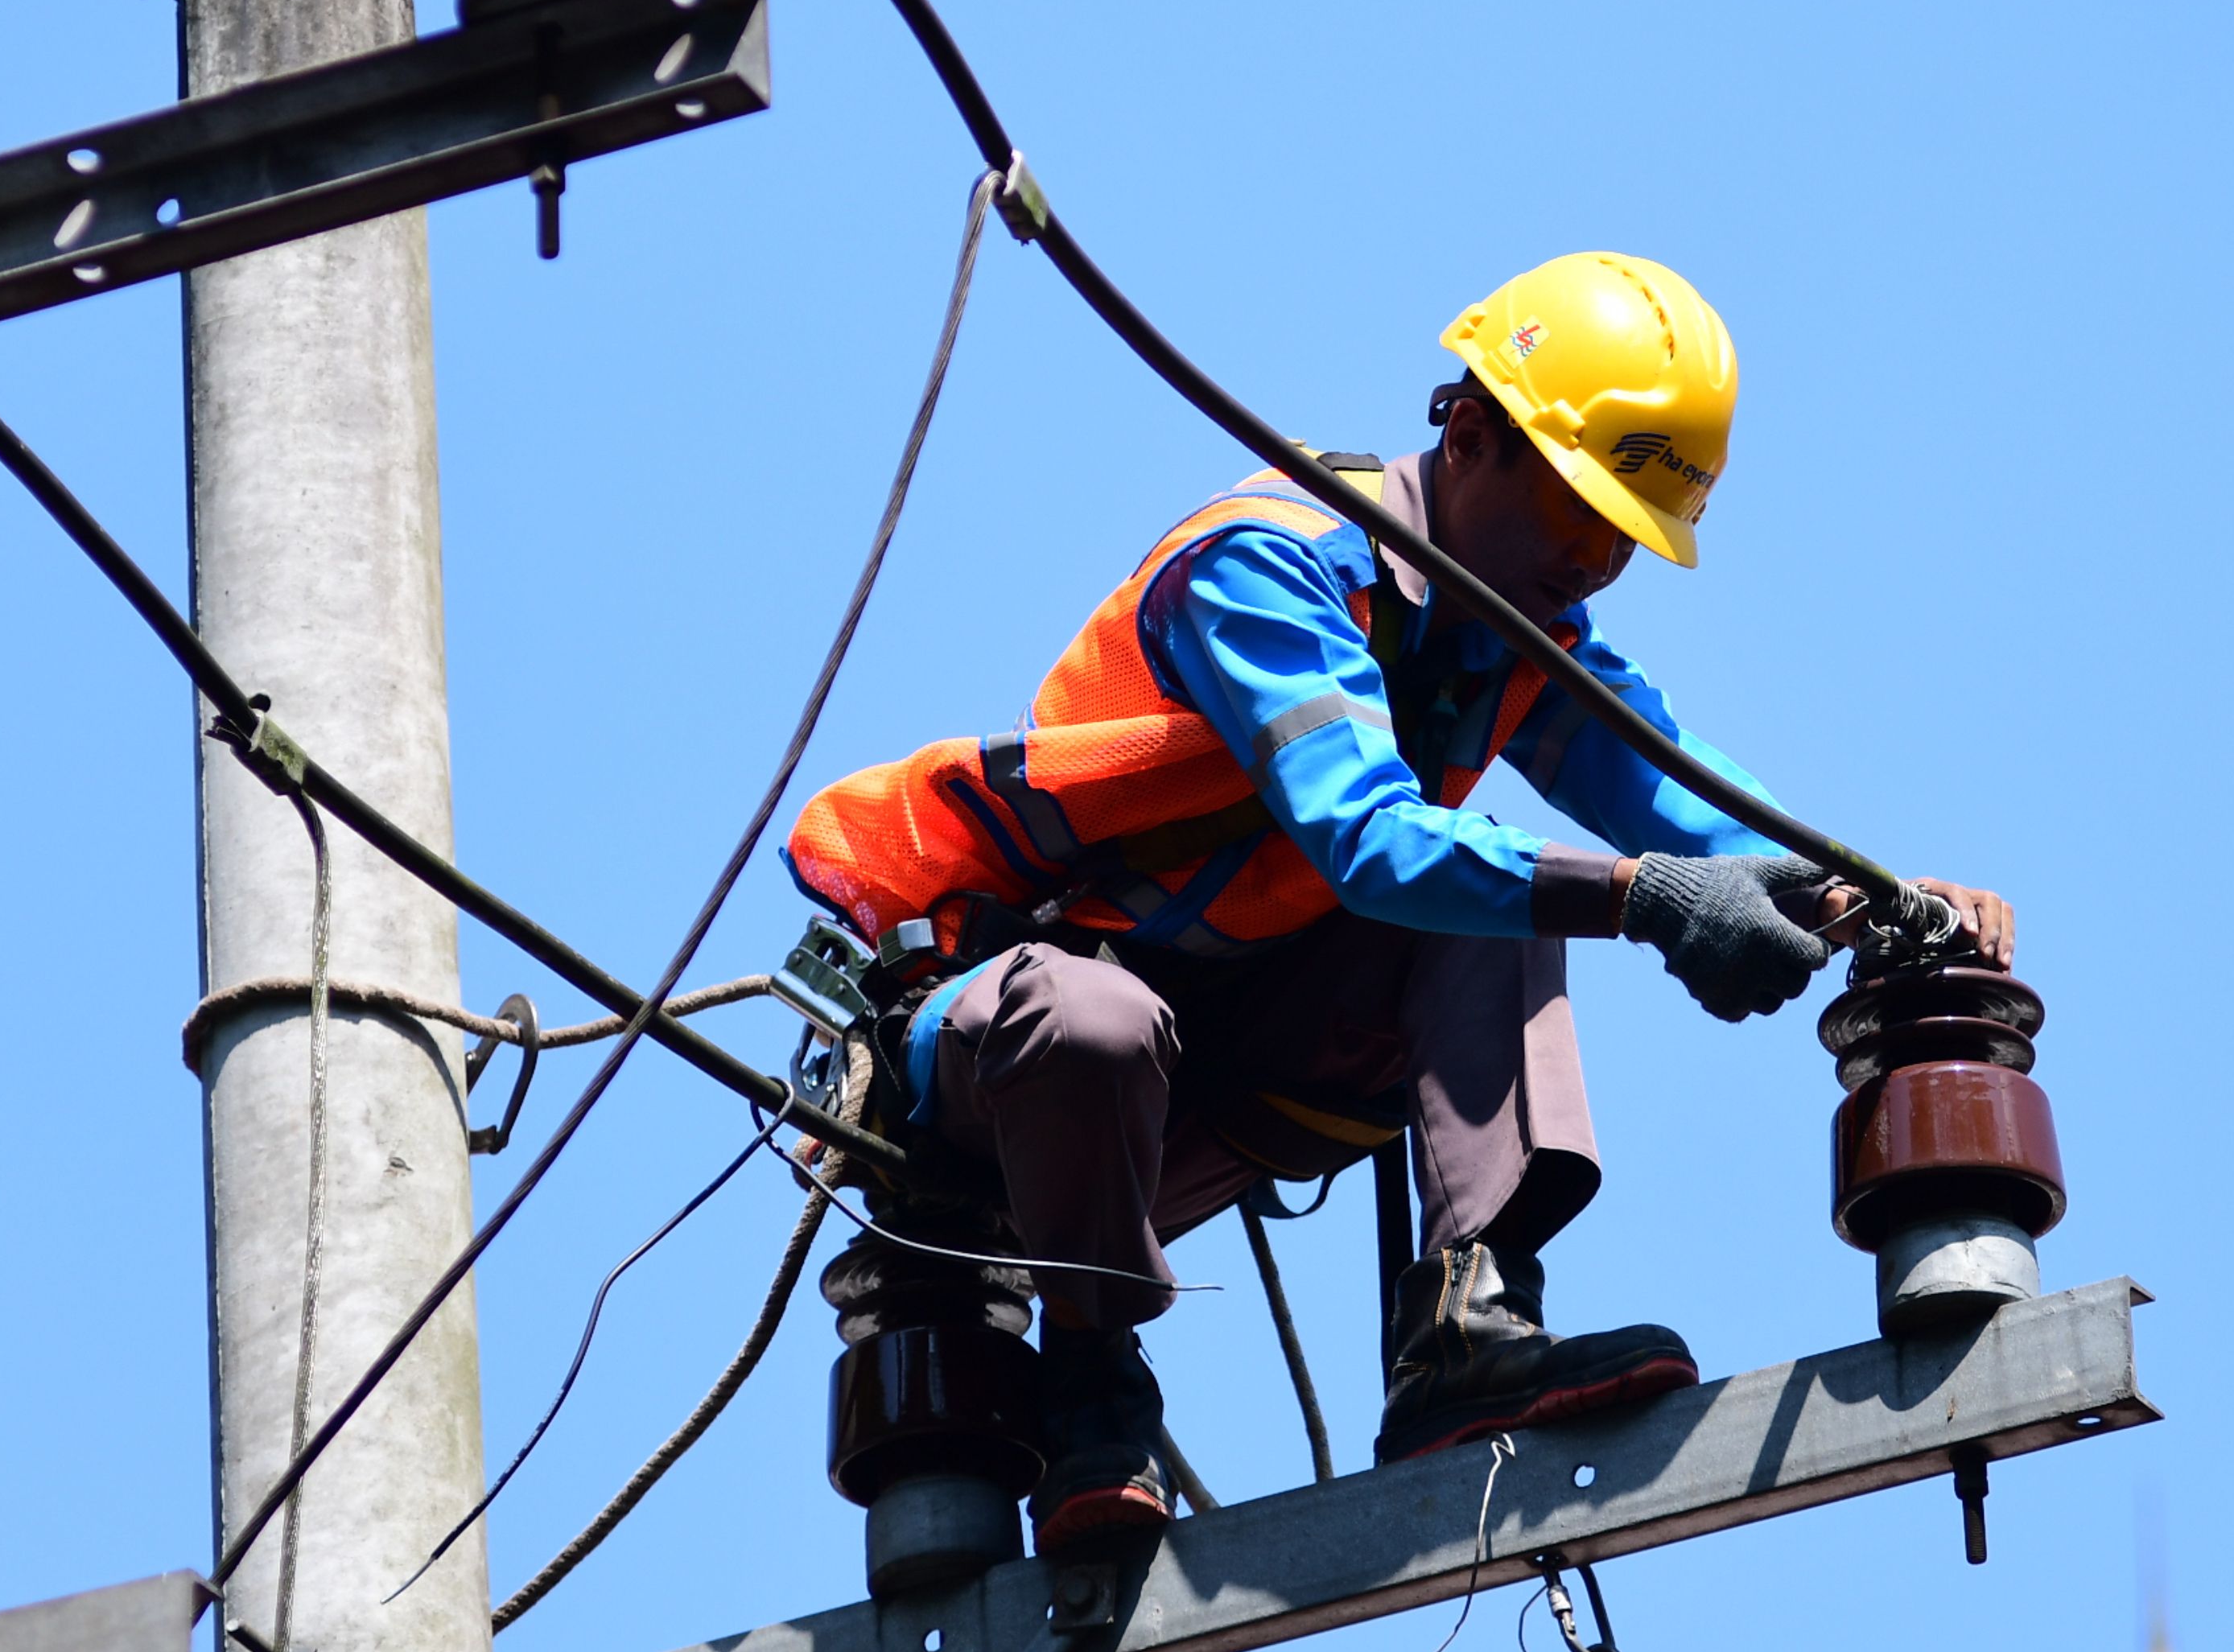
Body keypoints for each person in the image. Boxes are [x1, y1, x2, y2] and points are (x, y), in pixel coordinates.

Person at [784, 251, 2014, 1552]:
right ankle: (1093, 1380)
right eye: (1582, 514)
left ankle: (1464, 1334)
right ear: (1471, 437)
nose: (1599, 562)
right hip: (1008, 1077)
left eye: (1628, 537)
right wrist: (1651, 901)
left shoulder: (1515, 636)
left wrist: (1879, 897)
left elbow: (1679, 791)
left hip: (1213, 1066)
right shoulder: (1267, 567)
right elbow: (1371, 841)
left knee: (1500, 887)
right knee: (1140, 1003)